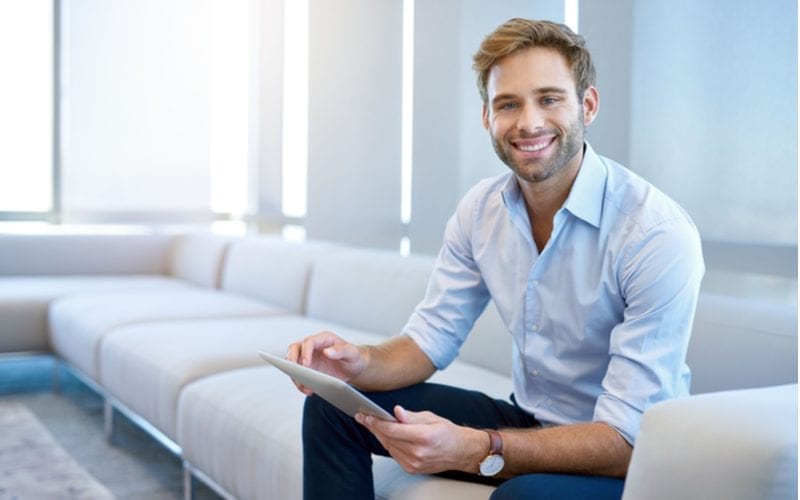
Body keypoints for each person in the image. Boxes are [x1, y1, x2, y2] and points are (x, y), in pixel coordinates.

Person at [287, 17, 704, 500]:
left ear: (587, 105)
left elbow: (624, 435)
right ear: (487, 117)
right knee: (332, 407)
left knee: (523, 496)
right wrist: (357, 363)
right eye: (508, 104)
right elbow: (429, 340)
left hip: (634, 455)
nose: (528, 122)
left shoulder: (655, 233)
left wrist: (476, 447)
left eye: (549, 99)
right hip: (533, 419)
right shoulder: (481, 212)